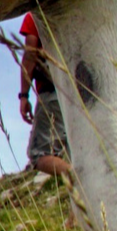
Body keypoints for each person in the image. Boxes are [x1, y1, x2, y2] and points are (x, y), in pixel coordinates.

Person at [18, 12, 72, 177]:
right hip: (77, 87)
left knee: (38, 154)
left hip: (52, 91)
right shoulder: (67, 8)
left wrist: (24, 96)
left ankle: (80, 177)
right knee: (73, 144)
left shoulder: (34, 16)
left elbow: (30, 54)